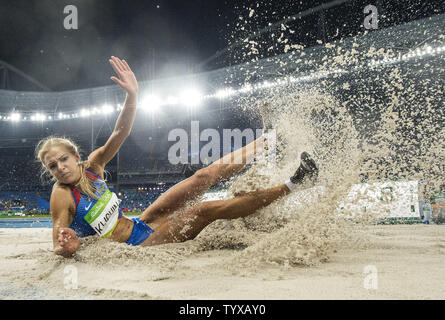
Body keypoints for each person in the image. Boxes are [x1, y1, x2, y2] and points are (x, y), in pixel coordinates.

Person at [36, 56, 319, 258]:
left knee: (203, 176)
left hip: (140, 224)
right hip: (139, 246)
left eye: (63, 160)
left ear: (75, 156)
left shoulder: (93, 166)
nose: (60, 168)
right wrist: (67, 246)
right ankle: (294, 185)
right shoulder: (61, 195)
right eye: (53, 166)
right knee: (203, 210)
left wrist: (133, 96)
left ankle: (268, 140)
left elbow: (119, 133)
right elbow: (59, 244)